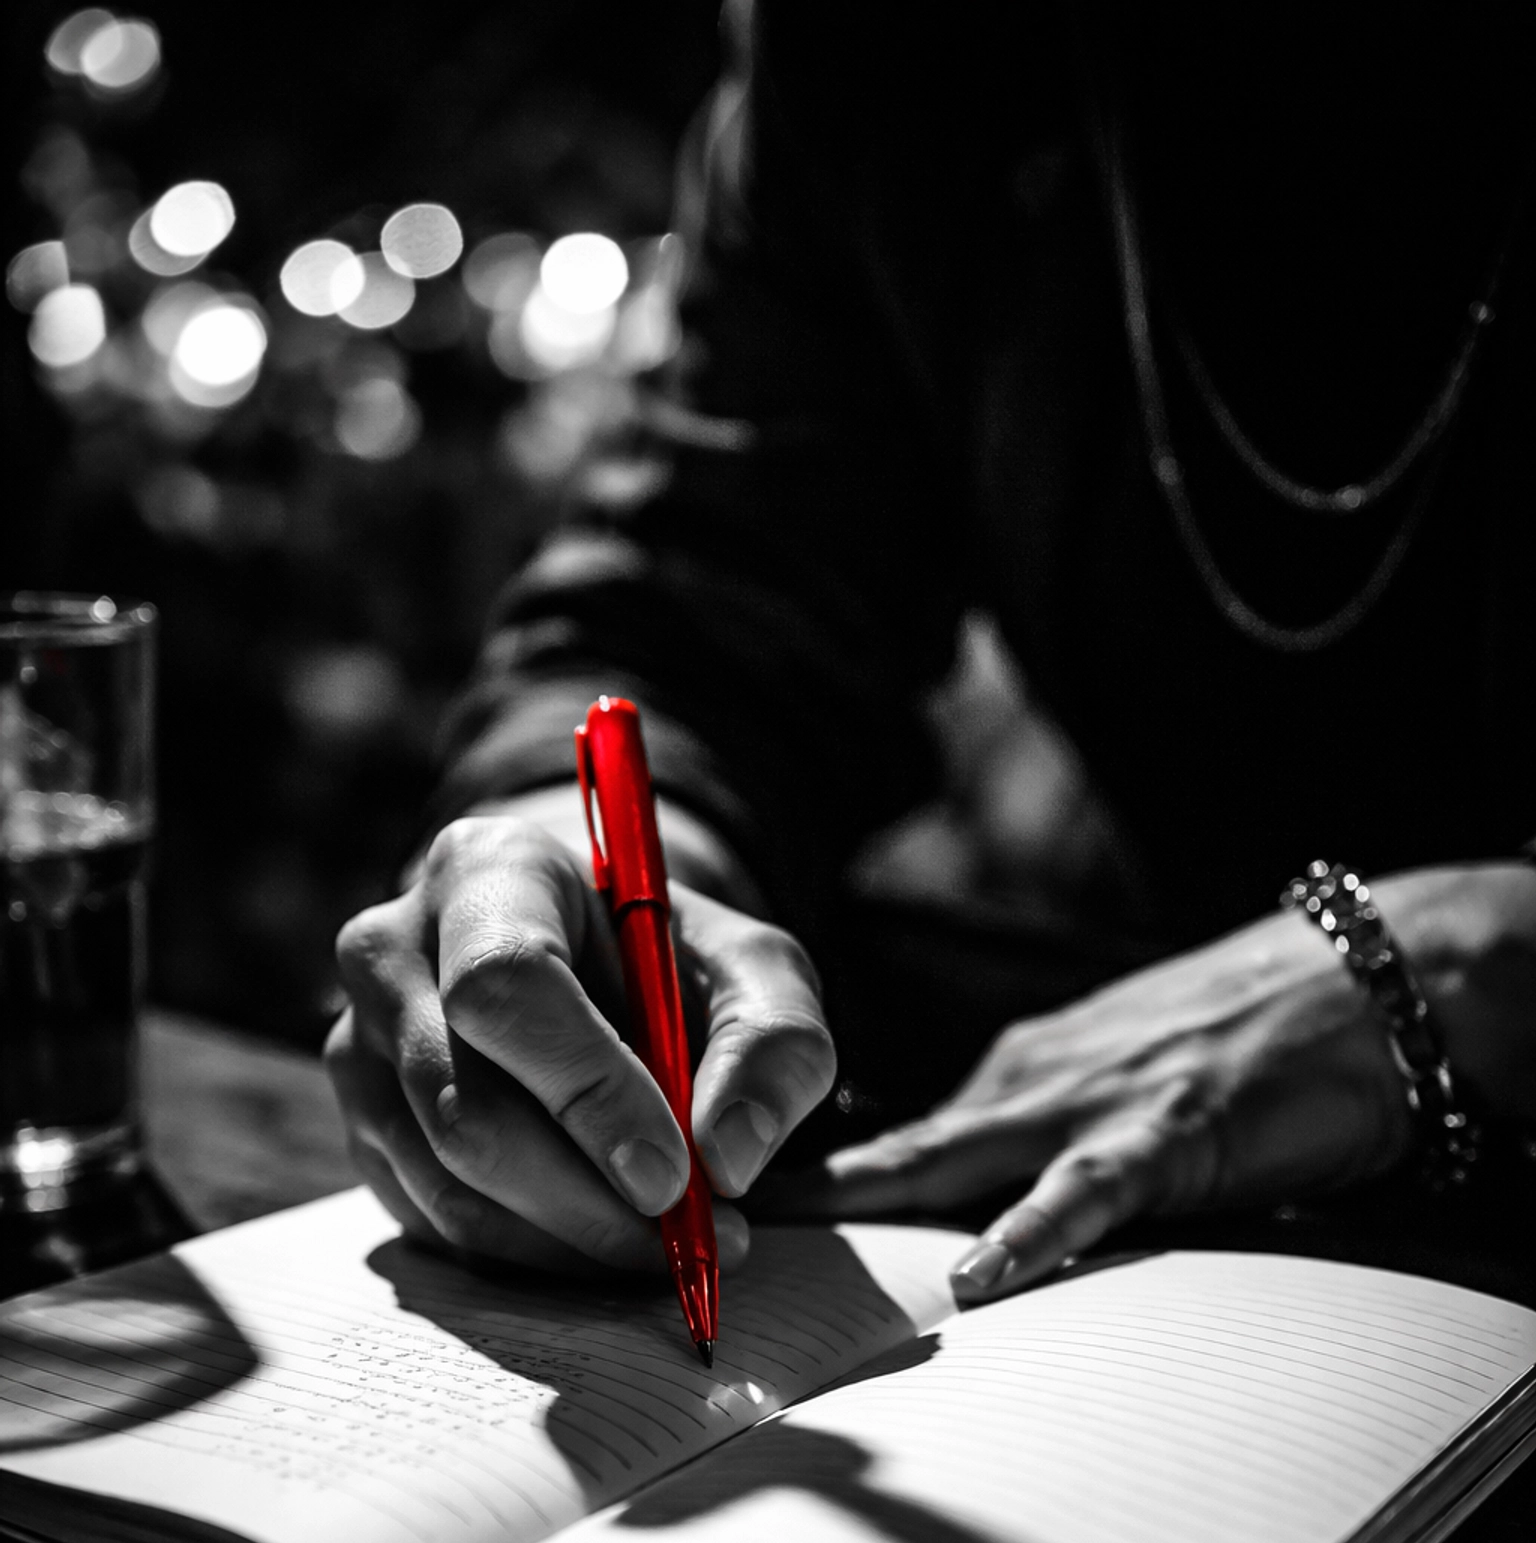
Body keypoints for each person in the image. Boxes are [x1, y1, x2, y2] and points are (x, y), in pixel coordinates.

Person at [327, 0, 1535, 1307]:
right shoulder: (889, 45)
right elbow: (703, 604)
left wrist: (1479, 961)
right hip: (1195, 1241)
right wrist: (577, 858)